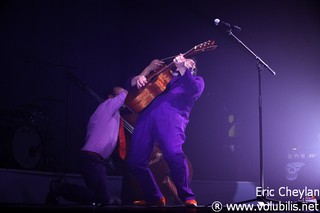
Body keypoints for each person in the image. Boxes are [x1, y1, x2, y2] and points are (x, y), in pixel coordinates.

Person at [126, 54, 204, 207]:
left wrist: (183, 69)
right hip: (146, 118)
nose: (185, 61)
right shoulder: (162, 77)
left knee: (173, 154)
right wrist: (141, 76)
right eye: (183, 60)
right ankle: (154, 197)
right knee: (135, 160)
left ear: (194, 67)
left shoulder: (196, 81)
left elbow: (193, 90)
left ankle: (187, 197)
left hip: (172, 120)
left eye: (190, 61)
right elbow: (131, 85)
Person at [46, 86, 128, 206]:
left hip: (94, 160)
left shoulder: (113, 114)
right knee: (102, 199)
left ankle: (62, 188)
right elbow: (125, 94)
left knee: (99, 197)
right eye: (118, 94)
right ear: (111, 97)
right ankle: (62, 188)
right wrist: (137, 78)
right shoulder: (107, 105)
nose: (123, 98)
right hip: (91, 159)